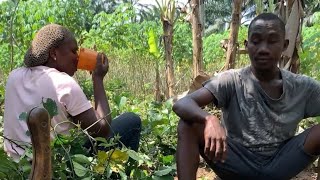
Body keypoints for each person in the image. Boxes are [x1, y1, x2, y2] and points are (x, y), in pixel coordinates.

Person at [173, 13, 320, 180]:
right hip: (236, 164)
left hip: (281, 164)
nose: (263, 49)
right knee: (187, 124)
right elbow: (182, 103)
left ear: (285, 45)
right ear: (247, 45)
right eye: (256, 41)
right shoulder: (231, 80)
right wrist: (209, 119)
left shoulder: (302, 86)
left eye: (272, 41)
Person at [3, 24, 141, 160]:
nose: (77, 57)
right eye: (73, 51)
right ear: (54, 53)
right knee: (132, 120)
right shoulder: (63, 83)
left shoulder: (13, 77)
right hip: (58, 165)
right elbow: (102, 130)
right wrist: (97, 78)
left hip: (18, 165)